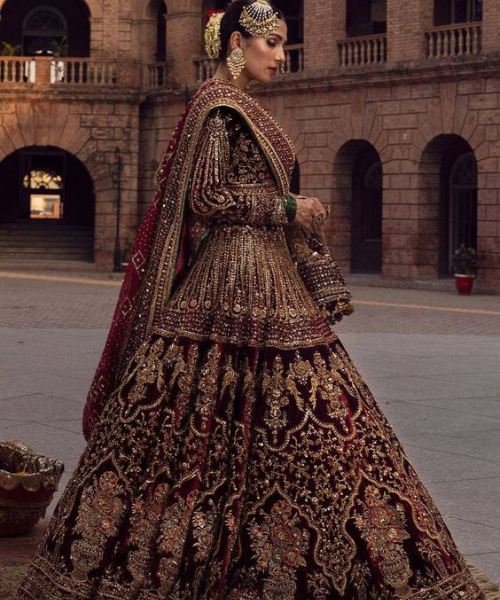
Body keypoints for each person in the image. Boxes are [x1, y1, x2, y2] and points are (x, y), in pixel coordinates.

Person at [17, 2, 484, 599]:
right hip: (230, 274)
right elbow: (207, 197)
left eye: (285, 45)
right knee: (207, 417)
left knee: (307, 414)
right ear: (239, 41)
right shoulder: (216, 109)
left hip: (270, 274)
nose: (282, 56)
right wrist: (291, 207)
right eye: (274, 43)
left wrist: (296, 221)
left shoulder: (247, 111)